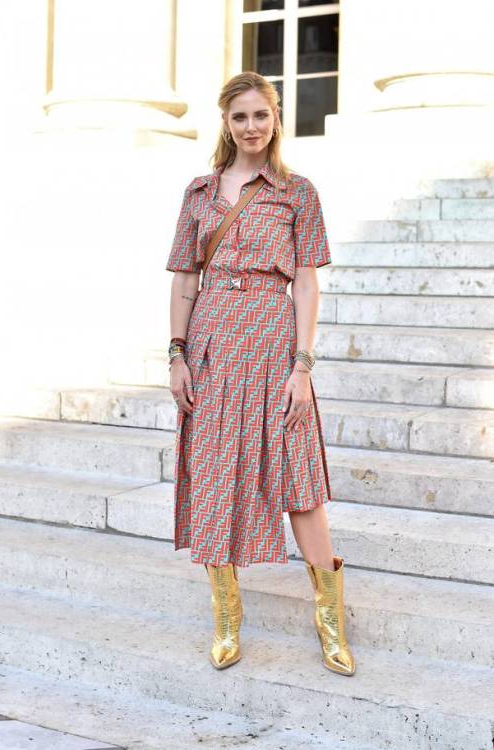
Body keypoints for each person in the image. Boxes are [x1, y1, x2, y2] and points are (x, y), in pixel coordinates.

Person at [166, 71, 355, 676]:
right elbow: (184, 281)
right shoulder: (198, 193)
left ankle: (330, 621)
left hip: (276, 347)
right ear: (226, 122)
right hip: (213, 346)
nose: (251, 127)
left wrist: (303, 365)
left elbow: (305, 282)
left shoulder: (299, 192)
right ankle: (226, 619)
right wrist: (176, 355)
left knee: (298, 475)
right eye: (240, 116)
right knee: (218, 474)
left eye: (261, 115)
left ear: (277, 119)